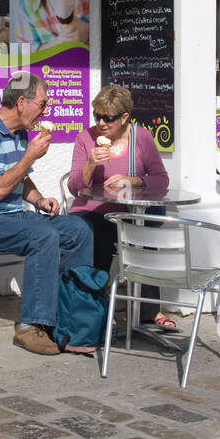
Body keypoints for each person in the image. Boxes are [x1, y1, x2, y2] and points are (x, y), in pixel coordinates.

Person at [0, 71, 96, 355]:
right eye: (43, 104)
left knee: (78, 229)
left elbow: (19, 179)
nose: (46, 110)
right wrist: (30, 156)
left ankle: (70, 318)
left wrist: (39, 199)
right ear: (22, 102)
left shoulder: (19, 133)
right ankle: (30, 327)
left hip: (12, 217)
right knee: (43, 235)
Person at [67, 85, 177, 330]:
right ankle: (98, 308)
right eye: (97, 116)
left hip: (130, 211)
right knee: (100, 236)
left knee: (146, 234)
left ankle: (147, 310)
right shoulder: (86, 138)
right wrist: (90, 164)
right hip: (94, 210)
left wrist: (136, 180)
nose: (102, 123)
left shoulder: (142, 137)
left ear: (125, 117)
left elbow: (161, 178)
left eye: (109, 118)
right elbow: (74, 187)